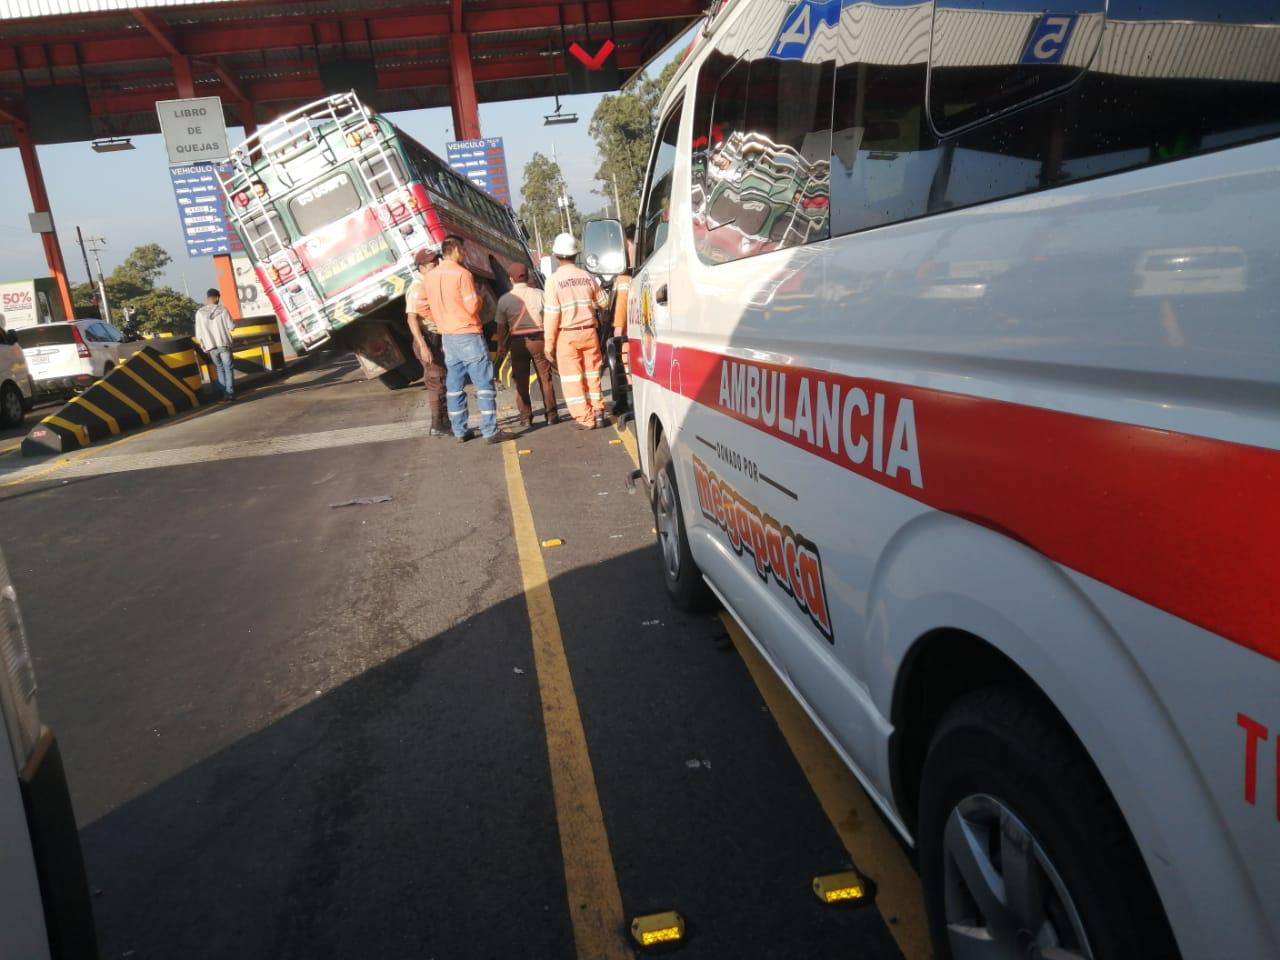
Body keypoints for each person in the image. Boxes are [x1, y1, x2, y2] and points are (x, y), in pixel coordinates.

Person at [420, 236, 513, 444]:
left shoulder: (430, 277)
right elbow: (472, 307)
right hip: (468, 333)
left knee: (454, 384)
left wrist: (439, 317)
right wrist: (480, 298)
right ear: (454, 249)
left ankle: (460, 431)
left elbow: (421, 306)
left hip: (448, 337)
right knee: (483, 383)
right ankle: (490, 431)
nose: (464, 253)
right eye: (462, 249)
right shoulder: (462, 274)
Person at [544, 233, 609, 430]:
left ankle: (585, 418)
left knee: (573, 379)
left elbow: (552, 315)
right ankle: (599, 412)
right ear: (575, 255)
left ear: (557, 256)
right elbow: (604, 302)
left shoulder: (553, 281)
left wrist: (549, 344)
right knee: (592, 374)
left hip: (567, 335)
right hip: (589, 332)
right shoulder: (586, 276)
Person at [494, 262, 559, 427]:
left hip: (517, 343)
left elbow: (501, 327)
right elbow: (550, 317)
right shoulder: (540, 294)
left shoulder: (504, 300)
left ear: (511, 279)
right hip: (538, 340)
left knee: (521, 381)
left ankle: (525, 418)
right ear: (528, 276)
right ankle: (551, 415)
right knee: (545, 378)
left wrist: (501, 346)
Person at [405, 247, 449, 438]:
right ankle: (437, 425)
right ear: (422, 267)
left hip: (437, 337)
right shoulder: (416, 287)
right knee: (436, 381)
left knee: (442, 379)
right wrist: (423, 345)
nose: (437, 265)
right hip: (427, 339)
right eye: (433, 264)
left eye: (437, 262)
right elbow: (412, 319)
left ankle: (445, 422)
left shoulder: (431, 282)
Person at [194, 287, 237, 401]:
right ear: (217, 298)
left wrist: (203, 346)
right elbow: (231, 327)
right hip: (223, 343)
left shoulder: (200, 313)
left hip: (211, 346)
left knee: (219, 368)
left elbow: (198, 333)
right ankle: (230, 393)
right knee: (228, 368)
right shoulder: (223, 310)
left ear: (208, 298)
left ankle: (225, 394)